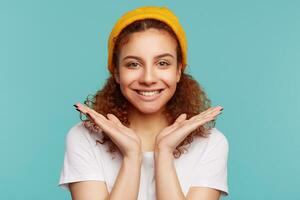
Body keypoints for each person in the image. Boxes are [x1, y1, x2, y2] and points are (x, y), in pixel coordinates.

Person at [58, 5, 229, 200]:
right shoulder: (84, 137)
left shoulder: (211, 143)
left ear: (179, 70)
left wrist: (163, 153)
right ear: (116, 72)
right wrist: (132, 157)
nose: (148, 78)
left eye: (162, 63)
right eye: (133, 64)